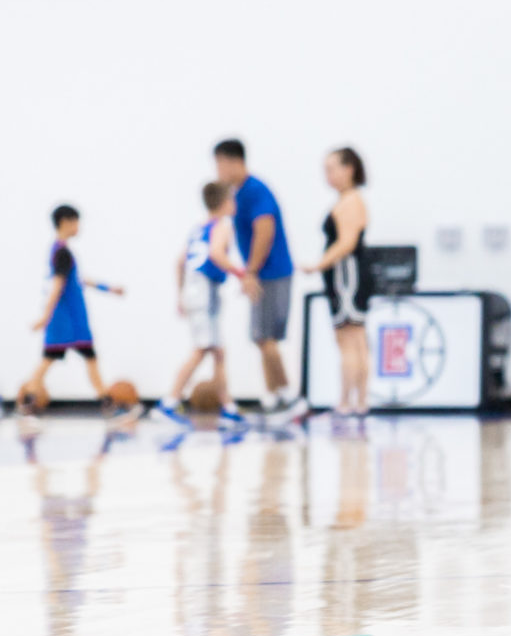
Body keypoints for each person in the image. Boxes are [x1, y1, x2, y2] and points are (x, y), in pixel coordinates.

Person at [215, 140, 302, 420]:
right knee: (261, 337)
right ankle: (273, 397)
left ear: (231, 161)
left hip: (272, 273)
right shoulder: (239, 193)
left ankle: (288, 397)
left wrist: (251, 270)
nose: (217, 171)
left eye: (218, 164)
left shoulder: (255, 191)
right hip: (264, 273)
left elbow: (264, 229)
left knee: (267, 337)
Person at [21, 204, 124, 416]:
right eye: (76, 222)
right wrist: (46, 317)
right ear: (66, 222)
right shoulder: (62, 253)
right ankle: (27, 403)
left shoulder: (61, 251)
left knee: (82, 359)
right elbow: (57, 286)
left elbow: (77, 281)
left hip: (71, 320)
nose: (78, 227)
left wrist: (108, 288)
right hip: (66, 320)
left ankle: (107, 403)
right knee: (54, 360)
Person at [158, 182, 245, 428]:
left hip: (198, 290)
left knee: (218, 351)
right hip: (205, 291)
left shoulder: (199, 228)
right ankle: (169, 401)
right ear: (226, 202)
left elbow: (179, 262)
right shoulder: (222, 225)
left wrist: (180, 295)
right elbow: (217, 254)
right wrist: (242, 274)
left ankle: (228, 406)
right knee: (202, 349)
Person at [301, 148, 371, 422]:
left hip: (347, 276)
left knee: (350, 338)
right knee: (353, 338)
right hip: (344, 275)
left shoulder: (351, 201)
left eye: (331, 169)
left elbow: (346, 242)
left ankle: (348, 402)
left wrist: (318, 265)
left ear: (349, 169)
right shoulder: (345, 200)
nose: (327, 176)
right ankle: (357, 401)